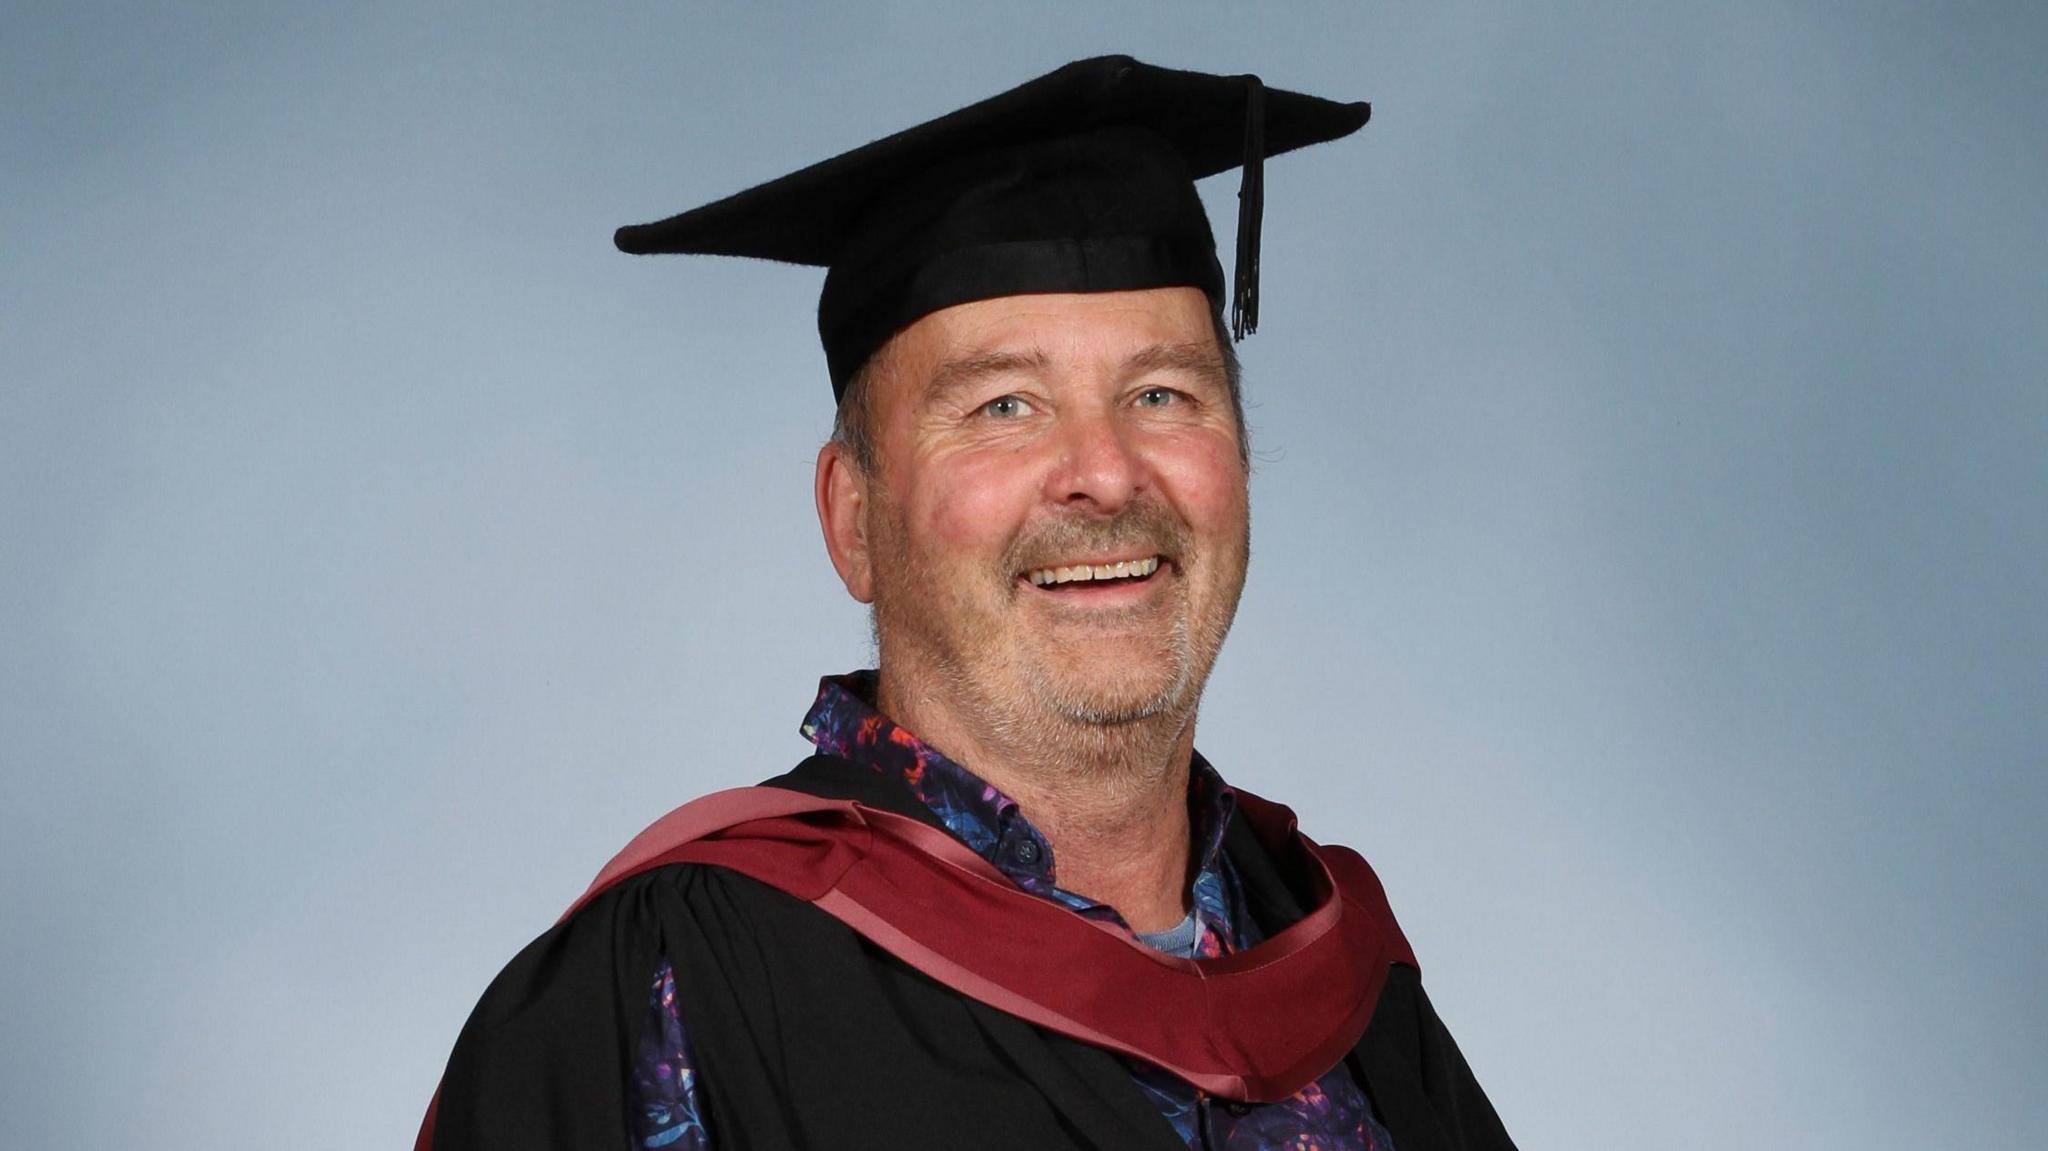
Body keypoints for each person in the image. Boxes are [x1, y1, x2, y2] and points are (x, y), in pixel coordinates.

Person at [419, 56, 1516, 1151]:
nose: (1106, 470)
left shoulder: (1330, 960)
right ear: (852, 519)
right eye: (1004, 404)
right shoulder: (674, 984)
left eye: (1160, 394)